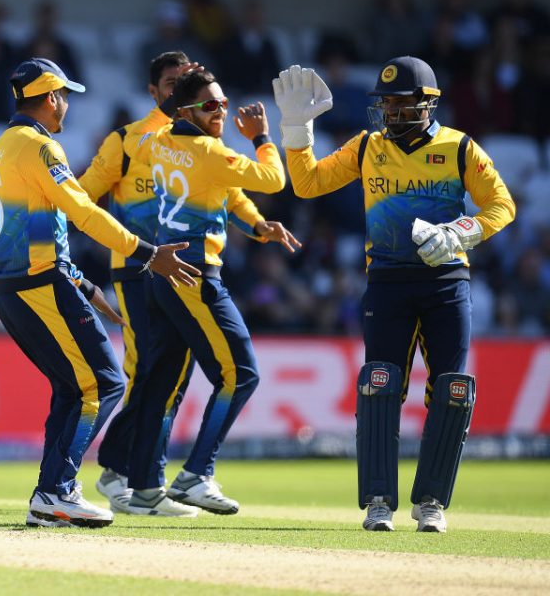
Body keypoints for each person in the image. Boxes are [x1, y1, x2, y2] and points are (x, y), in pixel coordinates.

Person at [274, 57, 516, 532]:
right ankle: (379, 501)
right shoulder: (367, 147)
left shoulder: (459, 148)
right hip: (387, 281)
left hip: (446, 282)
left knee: (452, 390)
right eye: (386, 104)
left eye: (402, 105)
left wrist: (462, 231)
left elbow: (501, 204)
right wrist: (295, 130)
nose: (391, 113)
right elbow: (307, 183)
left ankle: (431, 503)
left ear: (427, 105)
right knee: (380, 385)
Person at [77, 52, 300, 515]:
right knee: (214, 375)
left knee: (164, 378)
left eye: (220, 102)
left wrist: (258, 225)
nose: (219, 111)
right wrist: (260, 137)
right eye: (209, 104)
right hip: (163, 268)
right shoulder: (135, 140)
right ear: (160, 93)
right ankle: (170, 472)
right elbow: (81, 195)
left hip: (164, 266)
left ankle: (142, 483)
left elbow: (225, 187)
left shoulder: (159, 142)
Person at [0, 57, 200, 529]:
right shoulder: (40, 148)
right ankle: (56, 490)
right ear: (50, 97)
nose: (65, 106)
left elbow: (36, 229)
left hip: (14, 287)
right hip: (39, 285)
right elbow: (83, 213)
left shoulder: (1, 147)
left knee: (73, 387)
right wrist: (147, 253)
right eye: (63, 96)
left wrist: (81, 281)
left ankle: (52, 493)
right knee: (104, 381)